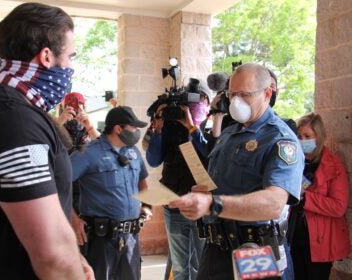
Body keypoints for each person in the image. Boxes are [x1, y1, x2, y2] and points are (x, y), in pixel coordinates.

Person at [169, 63, 304, 280]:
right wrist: (205, 194)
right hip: (215, 248)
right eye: (232, 94)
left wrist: (214, 204)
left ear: (267, 93)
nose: (236, 101)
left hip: (255, 250)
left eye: (244, 94)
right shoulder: (229, 134)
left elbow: (274, 203)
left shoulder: (280, 139)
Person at [0, 3, 93, 280]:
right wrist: (66, 263)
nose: (71, 67)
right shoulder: (15, 119)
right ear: (47, 56)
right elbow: (51, 255)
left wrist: (74, 256)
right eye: (70, 56)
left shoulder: (14, 108)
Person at [70, 105, 153, 280]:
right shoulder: (88, 153)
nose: (137, 131)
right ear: (118, 128)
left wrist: (146, 206)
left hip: (130, 237)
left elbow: (142, 179)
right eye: (133, 127)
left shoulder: (133, 152)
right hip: (100, 240)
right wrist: (72, 218)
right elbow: (56, 185)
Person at [145, 79, 210, 280]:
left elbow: (210, 153)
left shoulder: (214, 125)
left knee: (203, 262)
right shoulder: (168, 127)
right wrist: (157, 129)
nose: (192, 108)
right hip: (174, 204)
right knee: (181, 266)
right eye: (188, 104)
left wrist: (192, 128)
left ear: (207, 103)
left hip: (203, 206)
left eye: (198, 102)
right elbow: (153, 160)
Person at [287, 112, 350, 280]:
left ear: (319, 137)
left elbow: (338, 207)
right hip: (294, 236)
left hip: (319, 242)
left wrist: (305, 197)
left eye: (307, 136)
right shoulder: (294, 162)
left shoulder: (333, 165)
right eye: (299, 136)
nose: (302, 140)